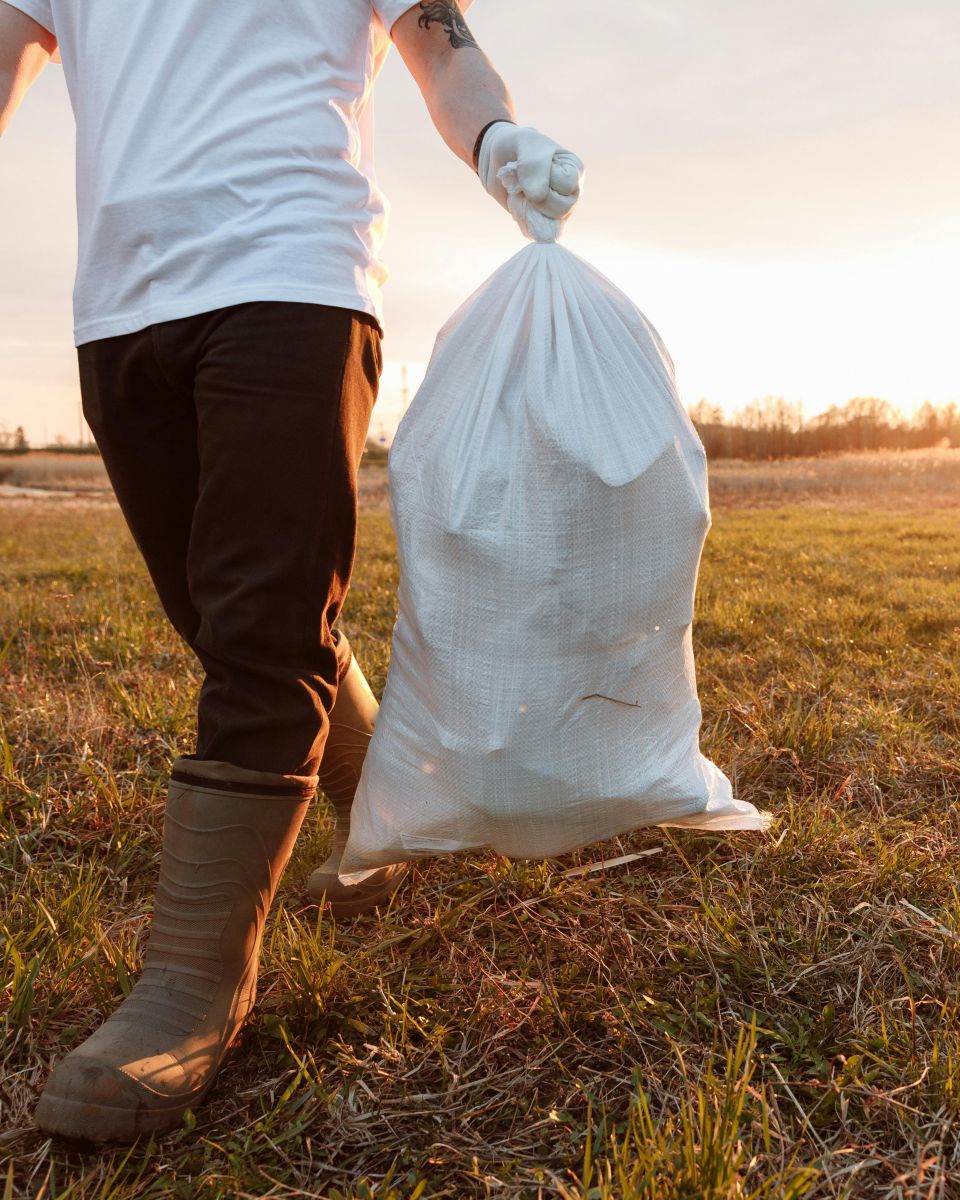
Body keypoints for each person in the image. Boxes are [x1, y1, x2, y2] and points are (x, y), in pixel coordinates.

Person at [0, 0, 582, 1142]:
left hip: (293, 277)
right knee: (228, 612)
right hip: (119, 305)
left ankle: (190, 989)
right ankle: (392, 800)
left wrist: (497, 140)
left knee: (263, 631)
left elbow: (438, 44)